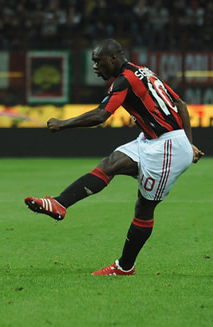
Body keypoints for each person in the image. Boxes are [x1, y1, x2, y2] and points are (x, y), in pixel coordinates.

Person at [25, 39, 204, 276]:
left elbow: (101, 115)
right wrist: (189, 142)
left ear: (112, 58)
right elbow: (180, 103)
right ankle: (60, 203)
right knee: (111, 163)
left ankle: (125, 266)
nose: (95, 67)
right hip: (153, 140)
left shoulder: (125, 80)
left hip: (168, 147)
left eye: (98, 61)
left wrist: (63, 124)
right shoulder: (144, 72)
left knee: (144, 208)